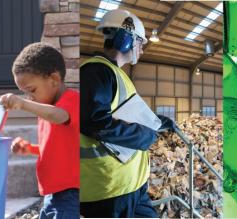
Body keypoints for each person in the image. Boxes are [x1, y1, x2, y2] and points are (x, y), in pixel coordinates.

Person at [80, 9, 176, 217]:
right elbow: (95, 122)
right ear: (126, 40)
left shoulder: (114, 73)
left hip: (132, 184)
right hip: (108, 190)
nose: (141, 50)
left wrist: (157, 122)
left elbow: (124, 113)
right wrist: (144, 136)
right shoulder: (96, 72)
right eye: (140, 43)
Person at [0, 42, 80, 219]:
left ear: (54, 79)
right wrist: (31, 149)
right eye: (24, 94)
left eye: (31, 90)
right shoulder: (45, 110)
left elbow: (59, 116)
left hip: (70, 194)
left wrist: (22, 104)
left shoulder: (72, 101)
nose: (29, 97)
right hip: (51, 195)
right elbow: (55, 148)